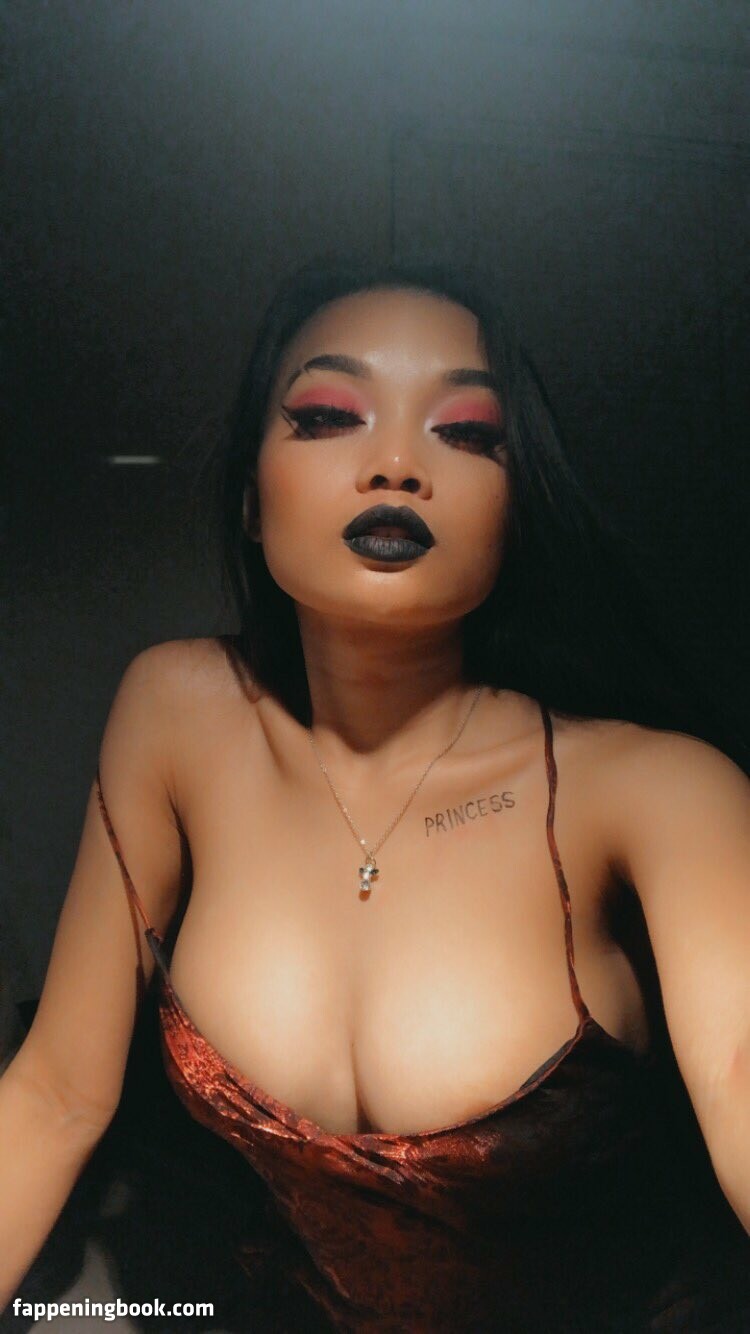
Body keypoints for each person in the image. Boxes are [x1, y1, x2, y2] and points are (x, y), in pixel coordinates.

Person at [1, 257, 748, 1331]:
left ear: (517, 507)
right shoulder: (179, 712)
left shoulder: (657, 792)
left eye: (466, 433)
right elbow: (55, 1094)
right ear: (250, 497)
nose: (397, 463)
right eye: (328, 416)